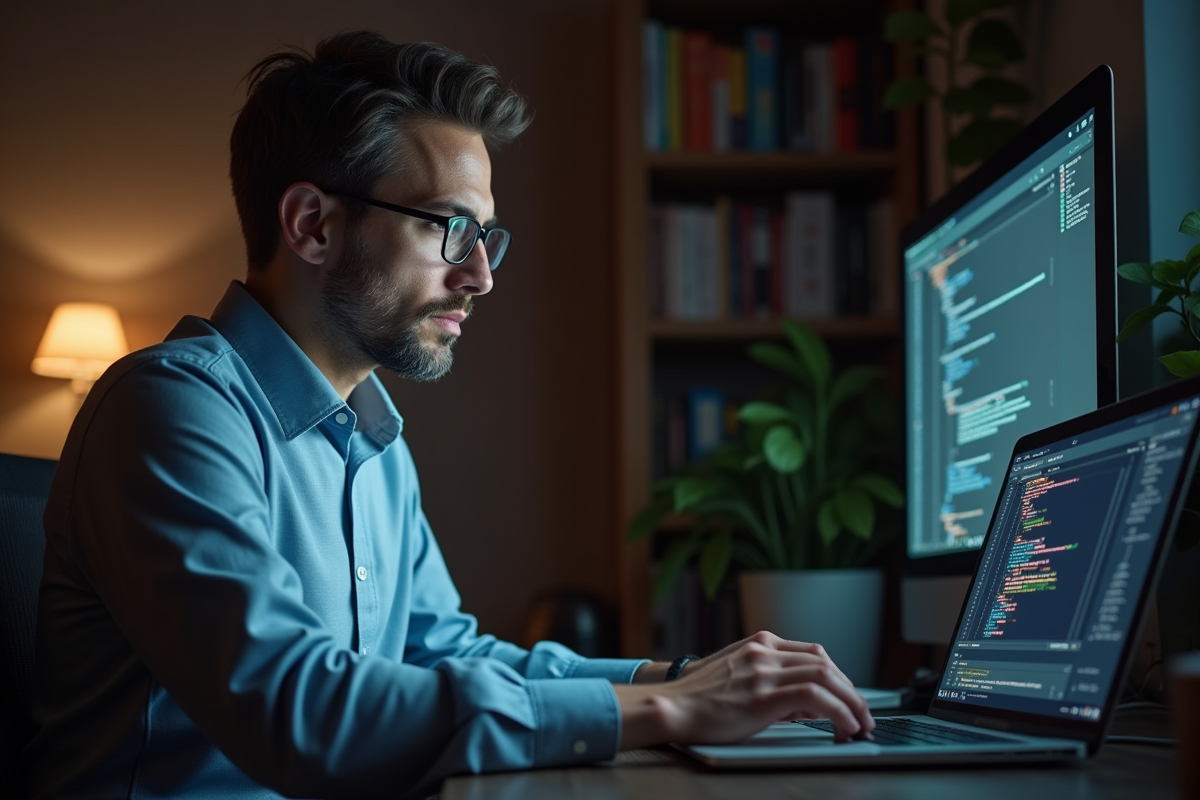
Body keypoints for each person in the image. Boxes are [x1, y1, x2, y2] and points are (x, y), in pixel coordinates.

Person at [24, 31, 874, 799]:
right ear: (313, 226)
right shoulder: (170, 407)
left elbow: (447, 654)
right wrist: (668, 712)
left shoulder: (375, 440)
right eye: (450, 230)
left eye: (486, 238)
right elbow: (301, 711)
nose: (481, 277)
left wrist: (678, 673)